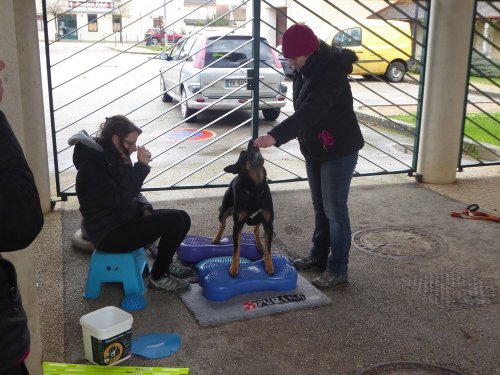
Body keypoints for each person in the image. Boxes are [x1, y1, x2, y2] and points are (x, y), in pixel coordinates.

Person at [254, 24, 364, 289]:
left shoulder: (330, 72)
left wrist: (276, 136)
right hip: (316, 147)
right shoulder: (306, 68)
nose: (290, 62)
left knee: (335, 210)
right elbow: (304, 109)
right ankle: (318, 256)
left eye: (294, 57)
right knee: (320, 207)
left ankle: (338, 269)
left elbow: (310, 111)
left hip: (339, 149)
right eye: (288, 57)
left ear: (311, 50)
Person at [69, 115, 194, 293]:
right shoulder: (92, 168)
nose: (134, 148)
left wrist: (145, 209)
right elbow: (120, 199)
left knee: (182, 217)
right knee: (175, 220)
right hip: (108, 234)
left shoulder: (111, 156)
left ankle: (164, 265)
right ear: (115, 139)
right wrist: (141, 167)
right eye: (130, 143)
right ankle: (159, 277)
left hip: (122, 221)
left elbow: (132, 192)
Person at [0, 59, 44, 375]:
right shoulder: (105, 163)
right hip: (107, 230)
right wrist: (138, 168)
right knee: (178, 219)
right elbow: (22, 221)